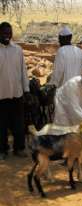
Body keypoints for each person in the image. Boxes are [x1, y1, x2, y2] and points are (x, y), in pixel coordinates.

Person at [0, 22, 30, 160]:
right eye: (4, 33)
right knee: (2, 124)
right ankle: (2, 150)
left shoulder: (17, 50)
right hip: (1, 94)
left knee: (19, 123)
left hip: (17, 93)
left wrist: (26, 89)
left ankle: (19, 148)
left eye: (9, 33)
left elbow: (23, 71)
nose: (7, 35)